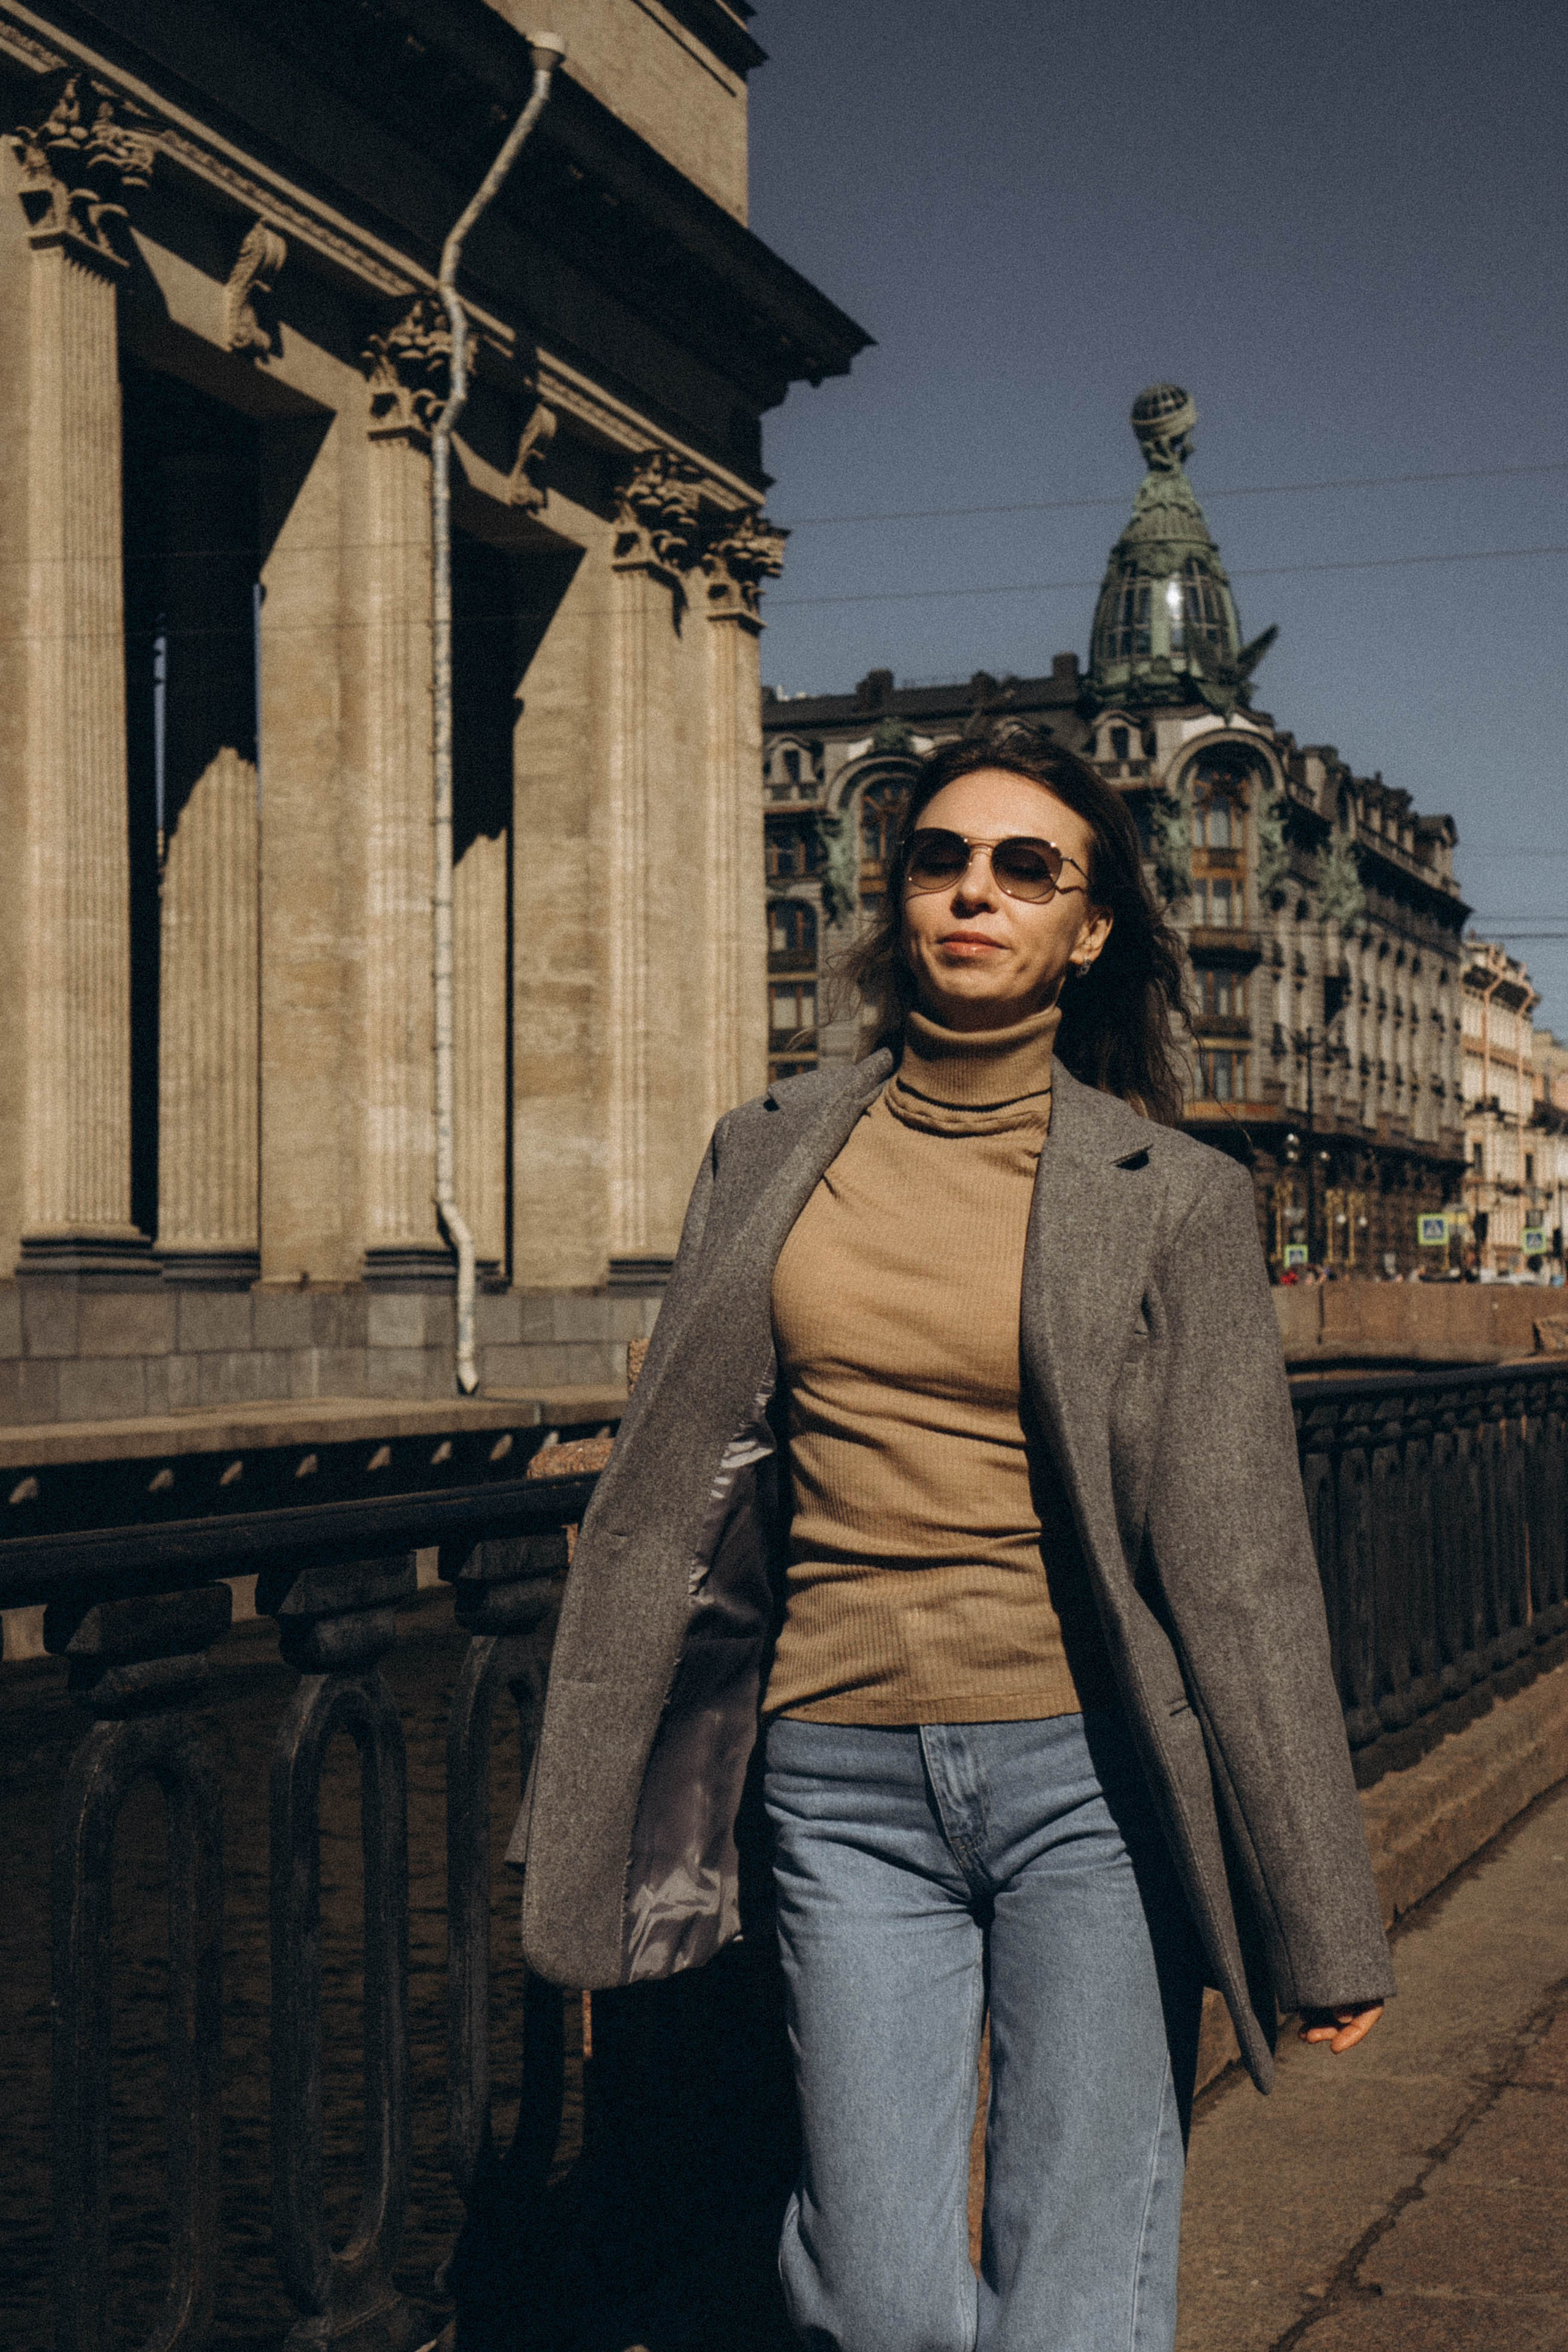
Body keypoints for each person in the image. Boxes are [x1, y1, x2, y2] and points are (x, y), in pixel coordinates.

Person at [511, 726, 1393, 2352]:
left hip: (1090, 1787)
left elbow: (1242, 1563)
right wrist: (589, 1790)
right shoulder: (769, 1152)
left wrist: (1320, 1917)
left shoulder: (1174, 1195)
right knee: (881, 2291)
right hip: (835, 1787)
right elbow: (674, 1491)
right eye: (940, 858)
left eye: (1024, 868)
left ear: (1092, 926)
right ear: (898, 896)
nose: (973, 894)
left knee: (1074, 2280)